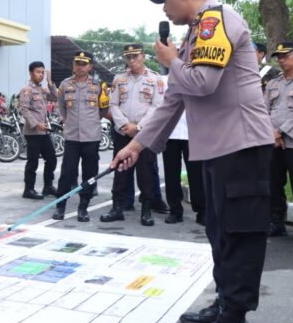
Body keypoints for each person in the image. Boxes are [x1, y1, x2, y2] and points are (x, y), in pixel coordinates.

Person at [113, 0, 273, 323]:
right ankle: (225, 304)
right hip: (220, 150)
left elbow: (201, 83)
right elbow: (174, 100)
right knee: (220, 232)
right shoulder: (194, 37)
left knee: (239, 234)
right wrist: (136, 146)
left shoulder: (215, 22)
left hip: (242, 146)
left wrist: (170, 62)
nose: (163, 9)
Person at [100, 44, 164, 226]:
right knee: (120, 170)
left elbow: (157, 106)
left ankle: (146, 211)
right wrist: (125, 125)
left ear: (143, 56)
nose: (131, 61)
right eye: (128, 57)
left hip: (144, 134)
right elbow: (113, 104)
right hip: (123, 132)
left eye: (135, 56)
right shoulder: (119, 79)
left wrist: (139, 126)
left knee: (146, 173)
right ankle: (117, 208)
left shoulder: (155, 79)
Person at [51, 51, 108, 222]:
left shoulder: (99, 85)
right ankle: (60, 206)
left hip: (92, 137)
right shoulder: (65, 84)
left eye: (84, 64)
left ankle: (83, 207)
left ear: (90, 66)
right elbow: (61, 107)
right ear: (73, 65)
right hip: (72, 137)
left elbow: (103, 108)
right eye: (77, 63)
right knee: (67, 173)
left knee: (90, 174)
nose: (80, 67)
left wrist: (91, 122)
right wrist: (68, 121)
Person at [160, 72, 206, 225]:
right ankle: (175, 210)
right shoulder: (163, 80)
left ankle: (202, 210)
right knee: (171, 174)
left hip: (193, 133)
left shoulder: (197, 78)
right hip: (170, 133)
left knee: (196, 174)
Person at [264, 42, 293, 237]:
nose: (281, 60)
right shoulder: (273, 83)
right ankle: (277, 220)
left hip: (292, 142)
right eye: (278, 57)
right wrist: (271, 133)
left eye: (285, 56)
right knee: (273, 183)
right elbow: (263, 110)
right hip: (273, 142)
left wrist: (280, 131)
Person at [18, 61, 58, 200]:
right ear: (31, 73)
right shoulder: (26, 90)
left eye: (42, 72)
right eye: (38, 72)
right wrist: (36, 124)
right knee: (33, 161)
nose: (40, 75)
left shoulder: (42, 89)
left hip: (44, 131)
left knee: (52, 159)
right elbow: (24, 109)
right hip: (33, 132)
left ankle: (48, 186)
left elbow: (55, 97)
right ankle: (28, 189)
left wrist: (50, 82)